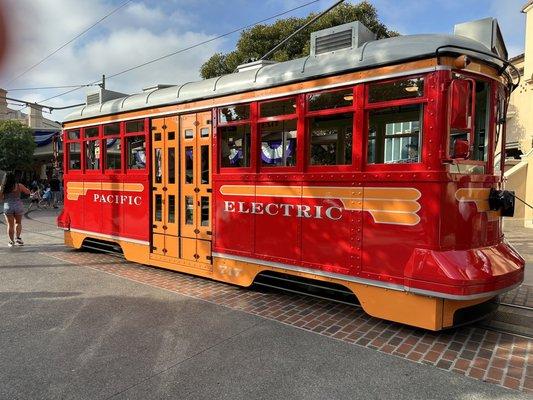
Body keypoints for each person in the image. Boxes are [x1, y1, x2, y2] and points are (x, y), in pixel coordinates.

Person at [0, 172, 30, 247]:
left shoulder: (2, 187)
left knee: (10, 225)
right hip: (18, 206)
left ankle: (11, 241)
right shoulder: (19, 185)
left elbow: (0, 199)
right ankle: (18, 239)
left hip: (8, 206)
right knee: (18, 223)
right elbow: (27, 192)